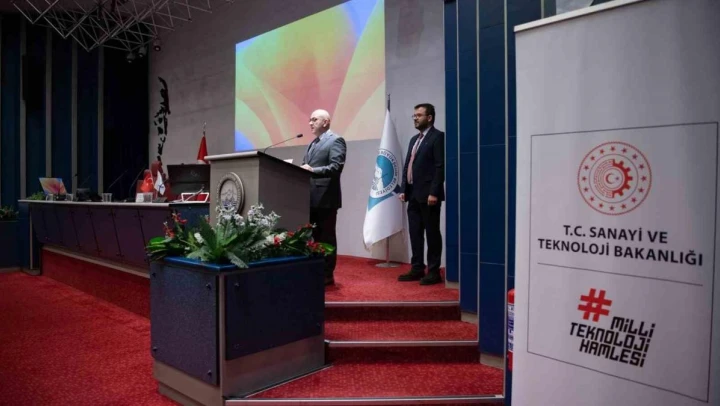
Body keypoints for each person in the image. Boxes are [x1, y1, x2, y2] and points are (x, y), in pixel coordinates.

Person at [398, 103, 445, 285]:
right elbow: (408, 166)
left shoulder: (438, 137)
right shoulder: (413, 140)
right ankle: (417, 268)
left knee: (432, 234)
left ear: (429, 117)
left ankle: (433, 272)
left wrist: (434, 192)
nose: (415, 118)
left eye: (419, 115)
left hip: (429, 196)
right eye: (414, 116)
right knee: (415, 233)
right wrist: (404, 189)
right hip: (413, 196)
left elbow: (439, 167)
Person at [301, 109, 347, 286]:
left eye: (314, 119)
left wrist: (312, 170)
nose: (310, 123)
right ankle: (315, 270)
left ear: (326, 122)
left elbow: (336, 167)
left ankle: (327, 274)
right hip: (310, 197)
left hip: (326, 199)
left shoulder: (336, 140)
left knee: (326, 237)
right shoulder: (313, 143)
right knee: (313, 236)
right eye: (310, 120)